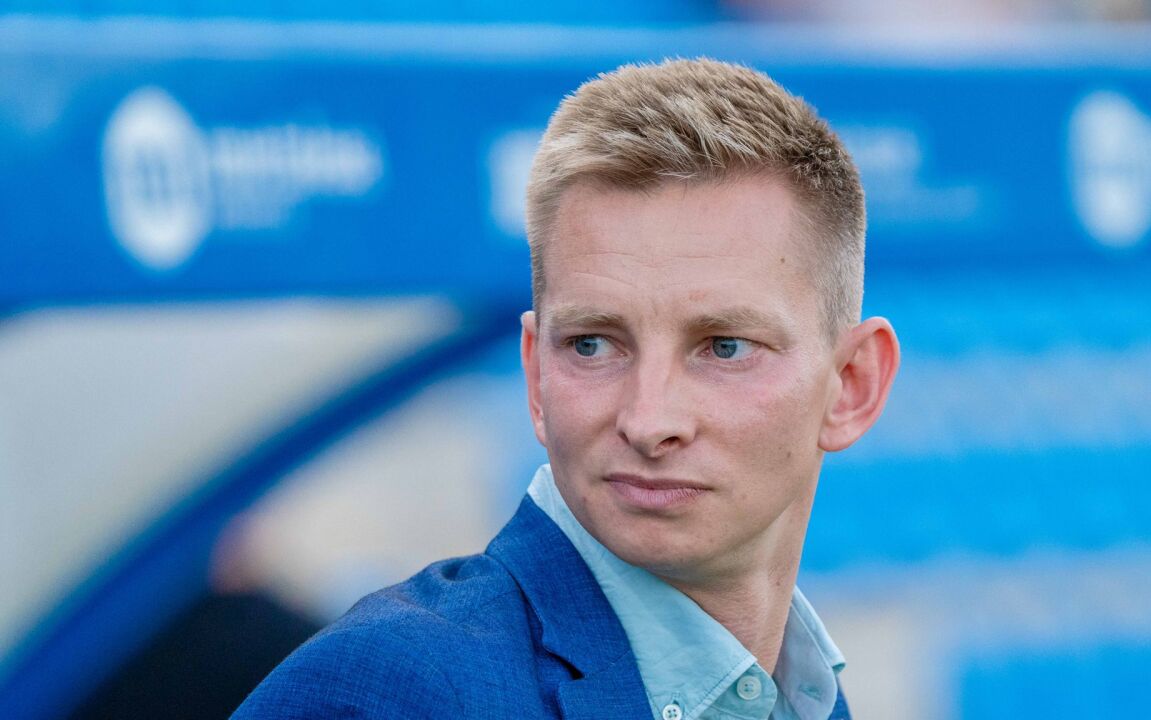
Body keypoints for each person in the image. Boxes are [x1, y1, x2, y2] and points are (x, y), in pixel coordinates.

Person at [233, 57, 899, 720]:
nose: (648, 420)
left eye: (724, 347)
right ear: (535, 374)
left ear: (852, 386)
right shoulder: (395, 690)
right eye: (592, 344)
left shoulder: (804, 698)